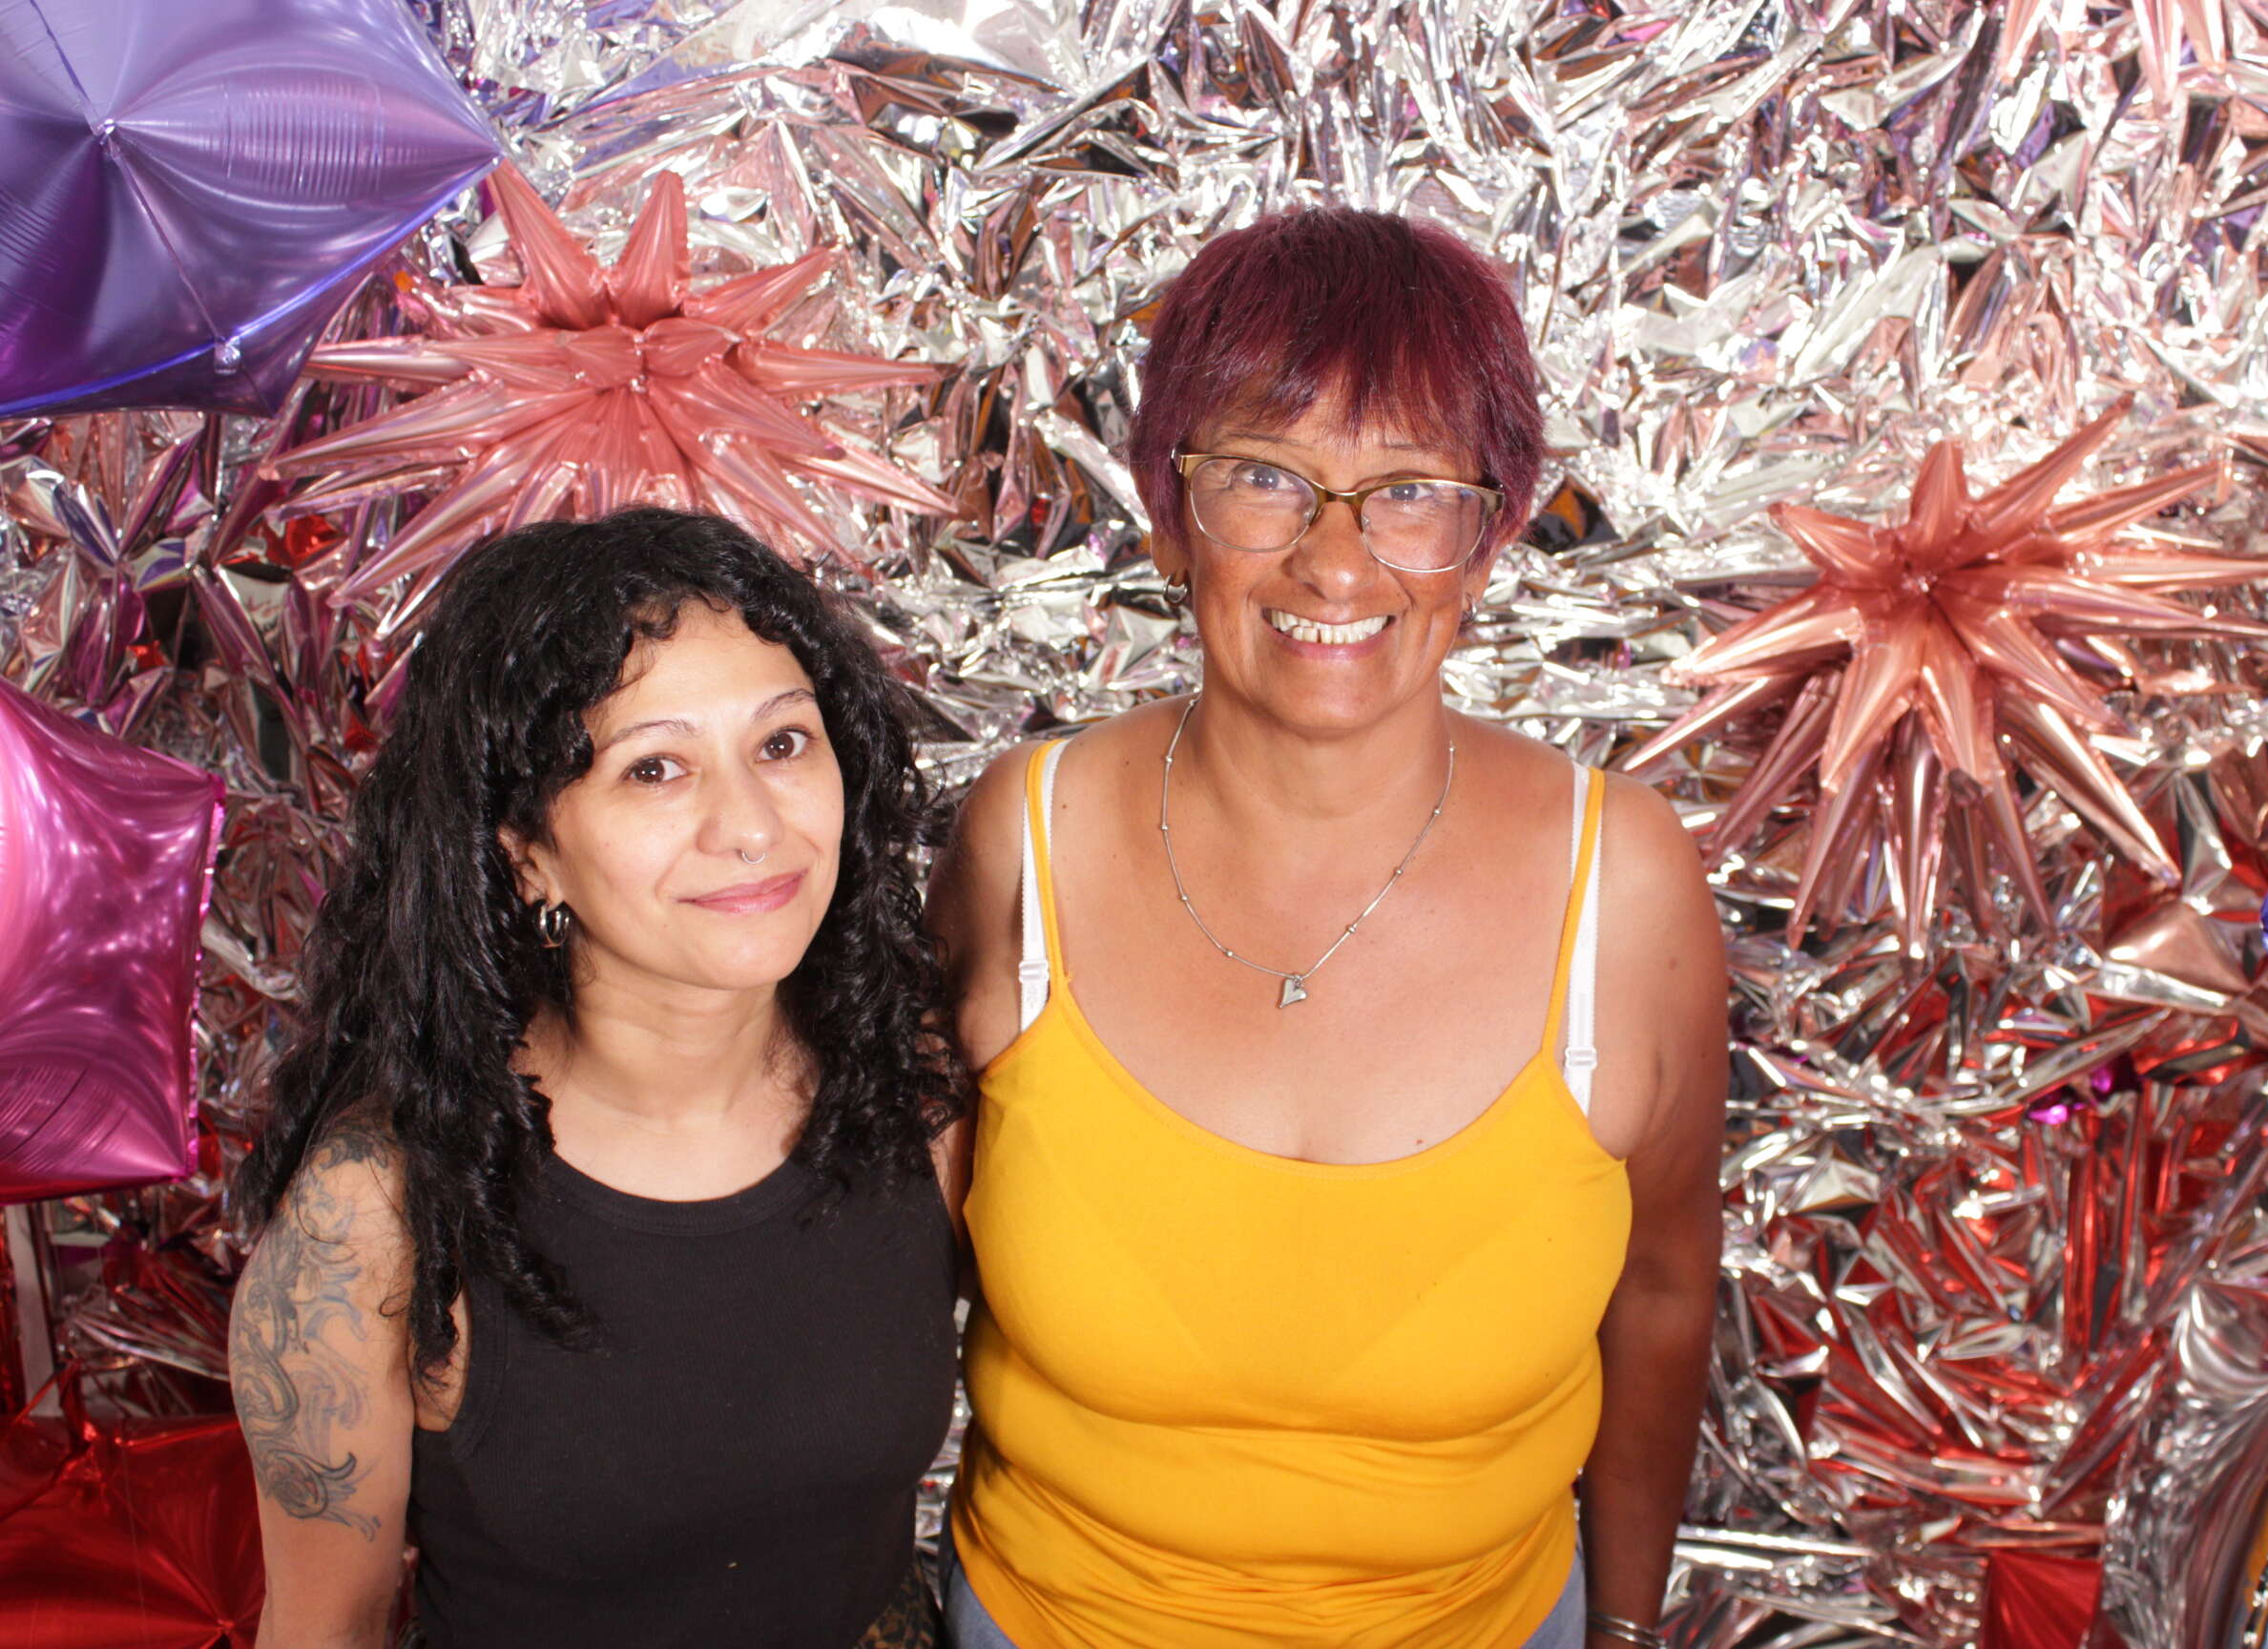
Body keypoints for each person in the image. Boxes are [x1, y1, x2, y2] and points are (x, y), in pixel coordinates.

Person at [927, 208, 1729, 1649]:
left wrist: (1622, 1631)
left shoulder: (1625, 881)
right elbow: (869, 1264)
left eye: (1409, 490)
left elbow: (1665, 1292)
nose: (1336, 562)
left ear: (1487, 538)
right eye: (1263, 477)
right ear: (1170, 514)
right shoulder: (1023, 839)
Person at [229, 509, 965, 1649]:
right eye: (654, 768)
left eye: (782, 743)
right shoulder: (370, 1219)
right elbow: (325, 1631)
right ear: (527, 854)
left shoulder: (913, 1094)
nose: (752, 827)